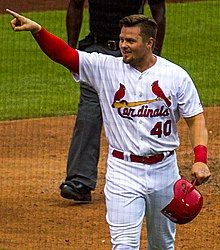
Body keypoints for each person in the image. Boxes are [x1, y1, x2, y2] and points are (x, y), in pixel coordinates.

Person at [7, 9, 211, 249]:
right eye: (122, 39)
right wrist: (38, 32)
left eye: (131, 41)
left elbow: (195, 119)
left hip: (165, 172)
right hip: (123, 172)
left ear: (149, 43)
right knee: (123, 245)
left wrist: (200, 158)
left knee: (162, 244)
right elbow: (67, 56)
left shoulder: (175, 76)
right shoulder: (105, 67)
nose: (123, 45)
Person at [61, 0, 166, 203]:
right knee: (88, 113)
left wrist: (155, 55)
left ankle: (147, 172)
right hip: (96, 50)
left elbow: (158, 9)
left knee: (137, 112)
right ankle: (79, 181)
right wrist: (71, 52)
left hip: (133, 56)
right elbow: (75, 6)